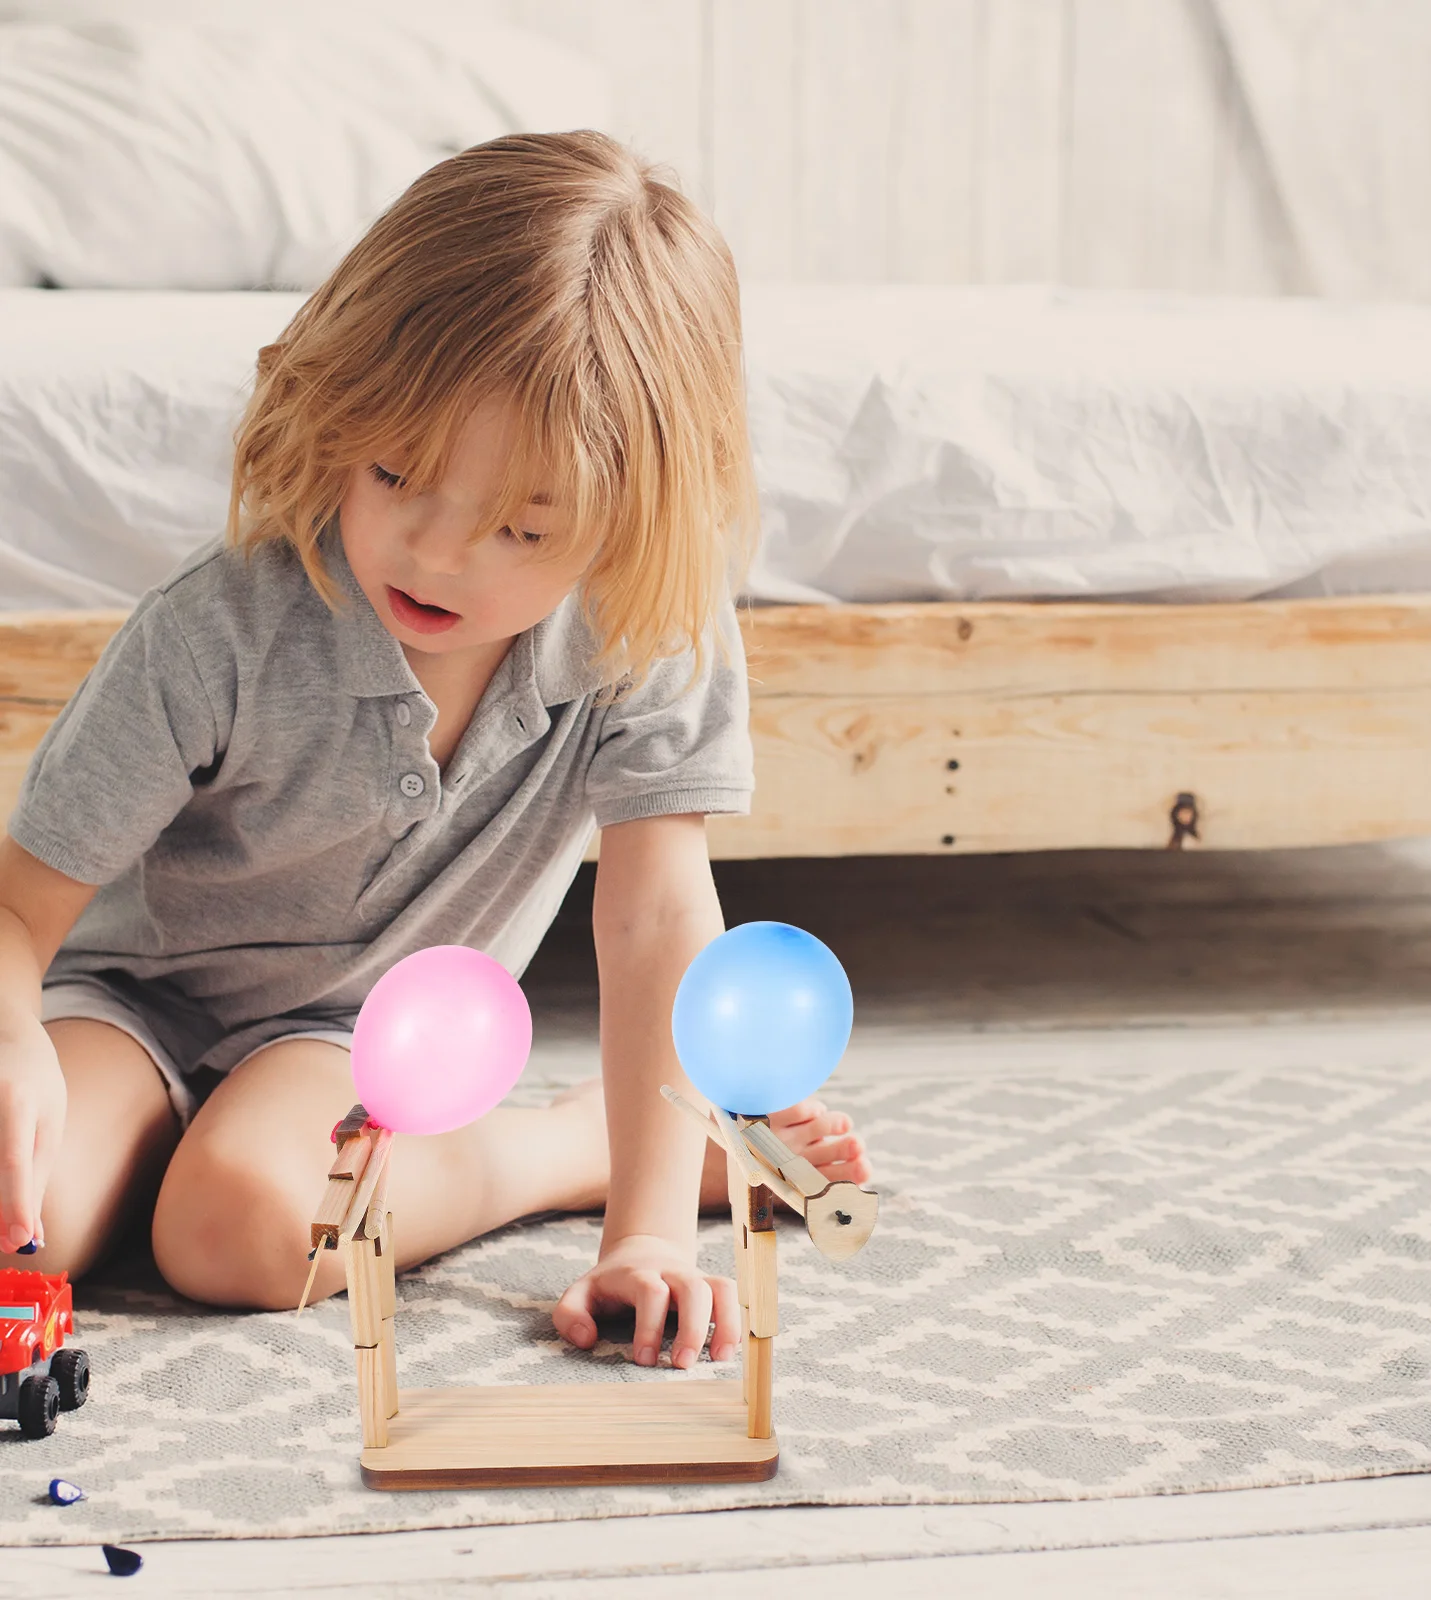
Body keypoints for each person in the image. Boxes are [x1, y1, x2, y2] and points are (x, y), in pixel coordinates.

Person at [0, 131, 870, 1373]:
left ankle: (579, 1146)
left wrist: (648, 1234)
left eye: (522, 526)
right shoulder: (219, 631)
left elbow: (655, 921)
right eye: (394, 470)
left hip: (364, 1038)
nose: (434, 552)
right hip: (124, 998)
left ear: (629, 522)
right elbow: (19, 915)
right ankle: (155, 1147)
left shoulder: (650, 625)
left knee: (236, 1233)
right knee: (20, 1229)